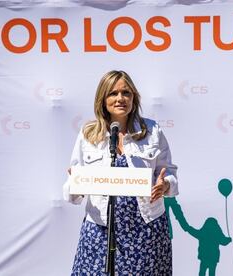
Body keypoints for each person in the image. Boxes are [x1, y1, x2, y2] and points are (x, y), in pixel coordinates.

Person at [63, 70, 178, 275]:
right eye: (113, 93)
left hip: (146, 229)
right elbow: (72, 194)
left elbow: (169, 172)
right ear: (103, 99)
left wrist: (166, 185)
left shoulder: (152, 131)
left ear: (134, 97)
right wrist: (76, 183)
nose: (120, 98)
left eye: (126, 93)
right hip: (100, 230)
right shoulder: (88, 133)